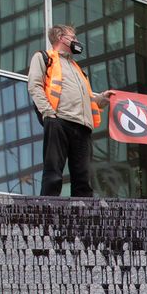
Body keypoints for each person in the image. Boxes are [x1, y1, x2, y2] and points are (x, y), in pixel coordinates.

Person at [28, 24, 111, 197]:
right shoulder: (44, 57)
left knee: (83, 177)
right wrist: (48, 113)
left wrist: (101, 99)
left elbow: (87, 99)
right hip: (59, 120)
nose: (76, 41)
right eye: (72, 38)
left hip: (82, 126)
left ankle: (84, 216)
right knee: (53, 172)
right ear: (60, 38)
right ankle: (47, 211)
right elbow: (34, 86)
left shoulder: (78, 69)